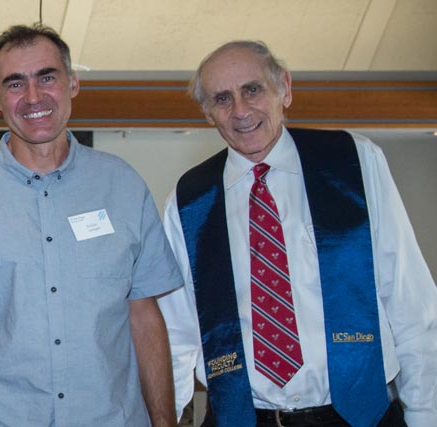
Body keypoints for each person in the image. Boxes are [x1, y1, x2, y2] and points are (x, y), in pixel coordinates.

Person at [159, 41, 436, 427]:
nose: (240, 110)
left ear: (284, 89)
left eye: (252, 89)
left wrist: (425, 416)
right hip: (244, 417)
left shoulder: (353, 162)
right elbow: (174, 337)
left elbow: (411, 303)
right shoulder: (189, 201)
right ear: (208, 114)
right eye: (222, 99)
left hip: (359, 416)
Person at [0, 24, 181, 426]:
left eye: (47, 77)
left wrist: (164, 421)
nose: (33, 97)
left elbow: (144, 315)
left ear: (72, 83)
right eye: (14, 83)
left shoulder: (124, 185)